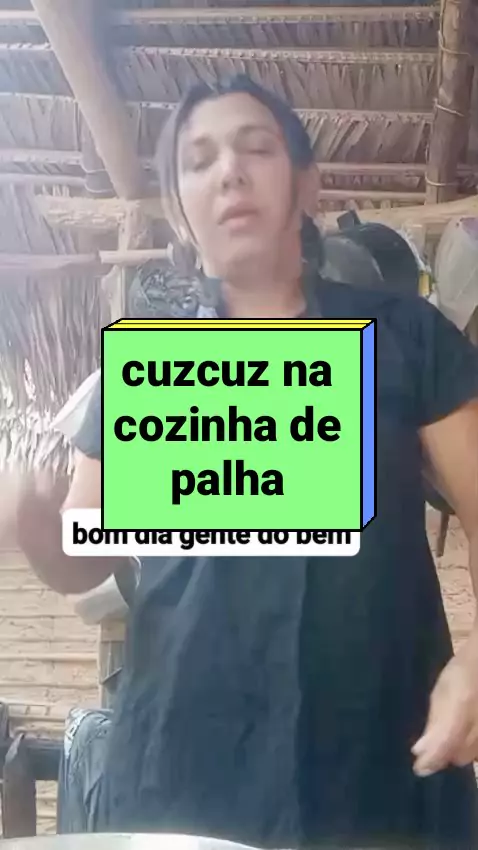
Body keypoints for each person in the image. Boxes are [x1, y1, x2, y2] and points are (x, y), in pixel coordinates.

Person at [12, 75, 478, 849]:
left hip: (380, 756)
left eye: (255, 147)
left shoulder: (405, 337)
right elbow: (91, 555)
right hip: (181, 765)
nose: (228, 170)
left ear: (307, 184)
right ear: (181, 212)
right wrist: (35, 529)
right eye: (199, 160)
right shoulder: (148, 369)